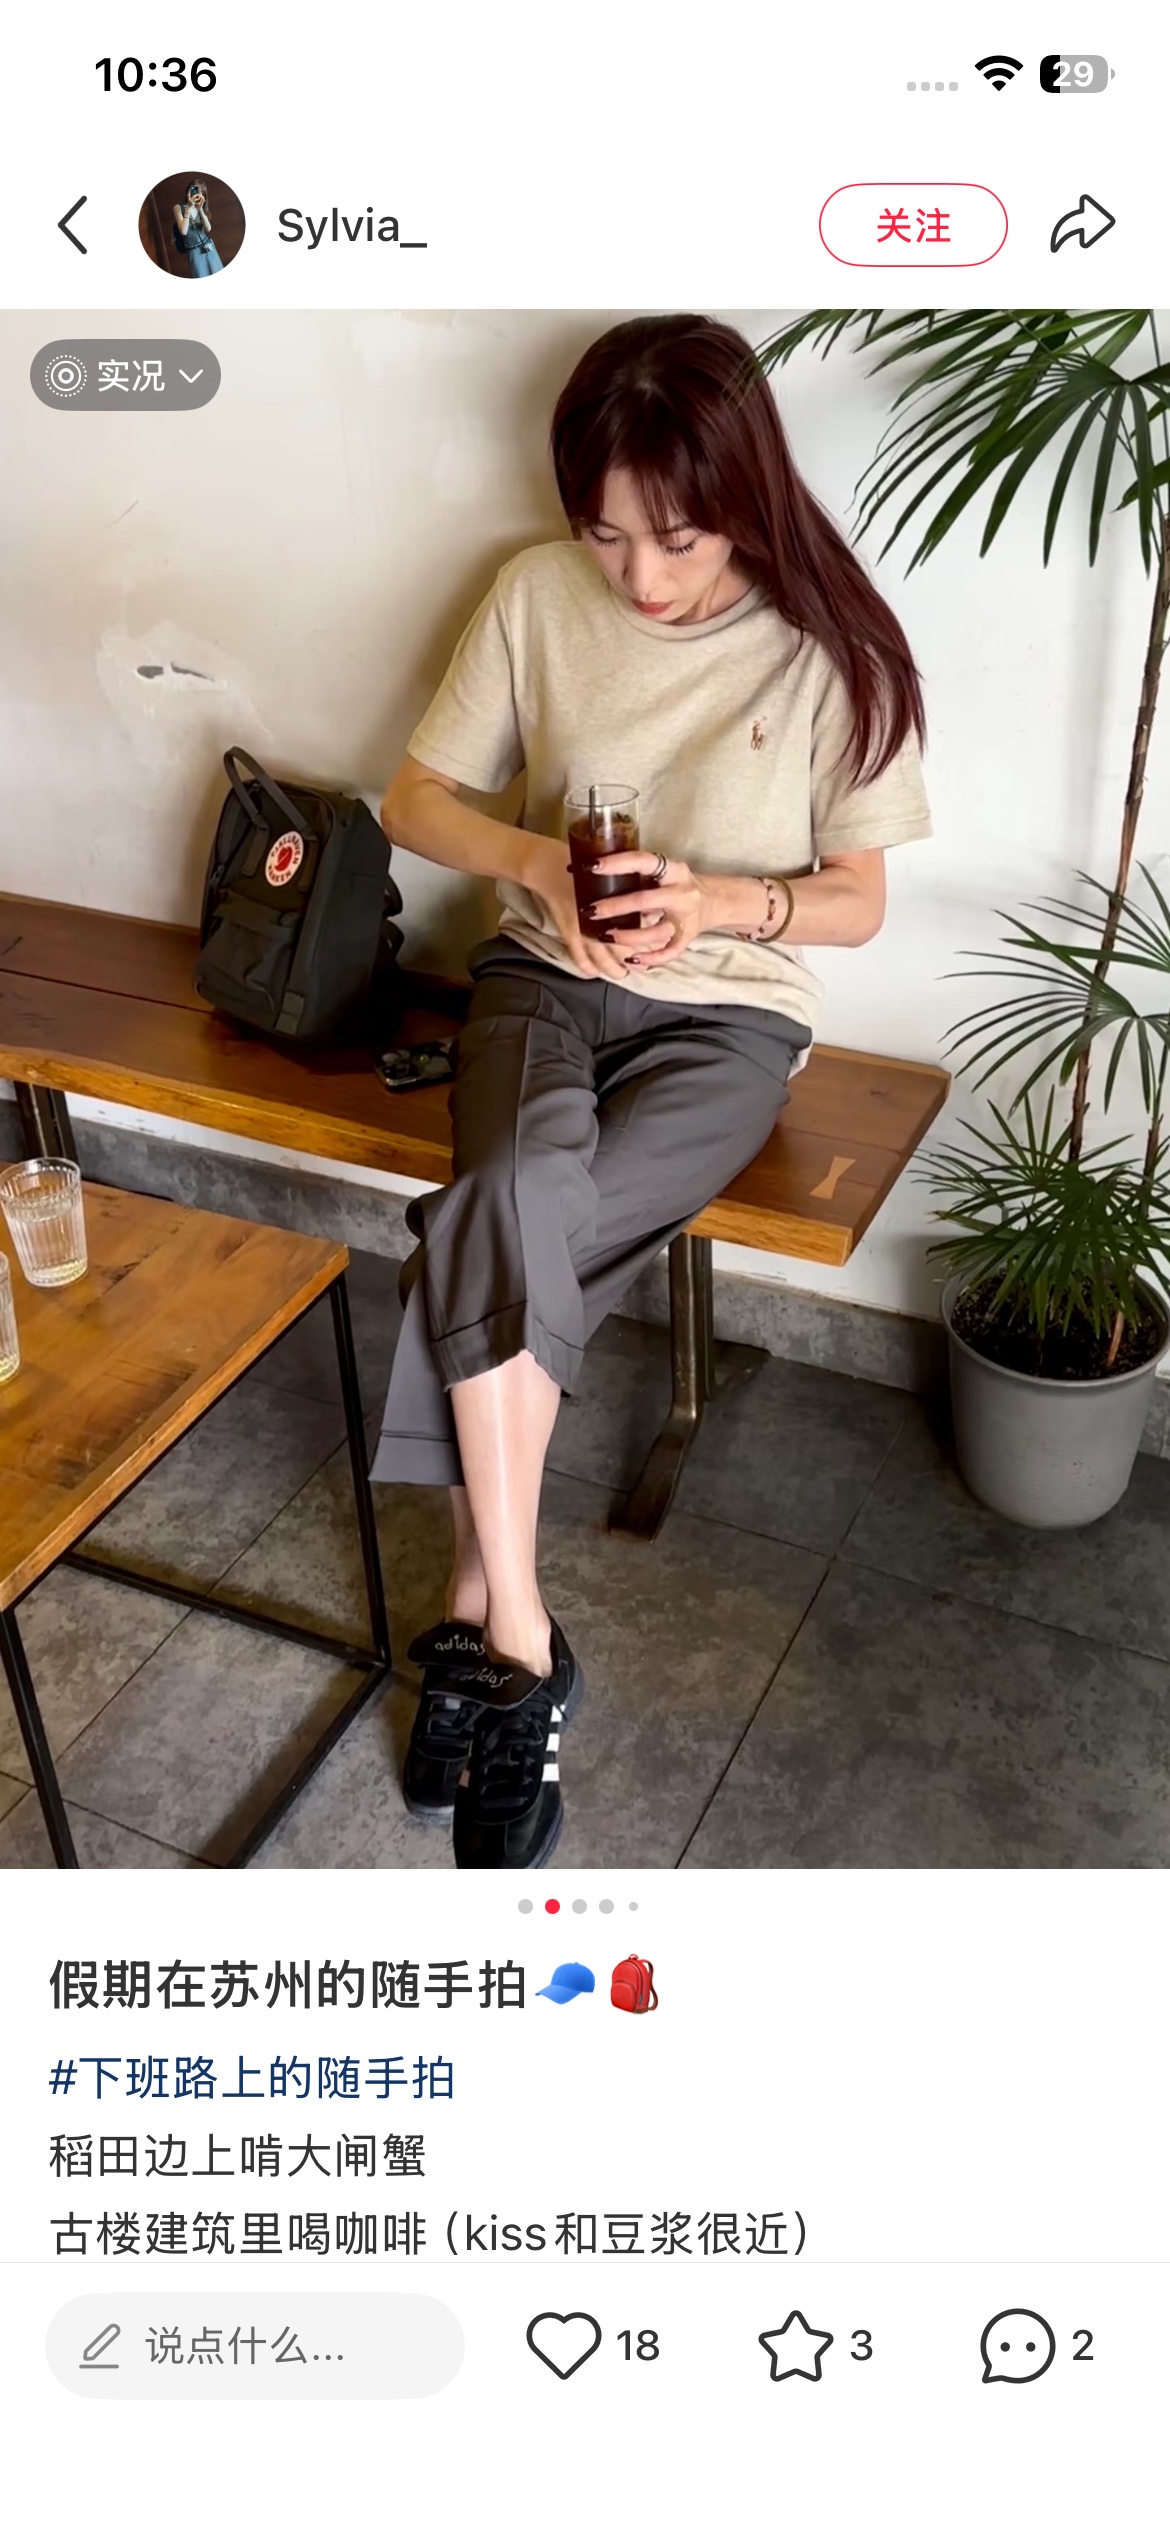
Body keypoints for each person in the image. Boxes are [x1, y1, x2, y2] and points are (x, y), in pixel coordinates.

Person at [372, 312, 932, 1871]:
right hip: (540, 979)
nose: (638, 575)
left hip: (729, 1020)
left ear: (744, 496)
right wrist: (533, 864)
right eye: (605, 533)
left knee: (495, 1235)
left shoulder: (832, 649)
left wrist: (719, 904)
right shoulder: (533, 596)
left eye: (676, 538)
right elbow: (414, 797)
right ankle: (521, 1631)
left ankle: (475, 1612)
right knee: (507, 1196)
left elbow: (856, 903)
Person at [172, 181, 223, 277]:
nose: (197, 194)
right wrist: (188, 208)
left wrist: (201, 210)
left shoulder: (200, 206)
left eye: (200, 192)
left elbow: (208, 229)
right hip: (194, 251)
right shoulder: (178, 208)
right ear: (189, 191)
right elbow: (183, 231)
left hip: (209, 246)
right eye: (195, 190)